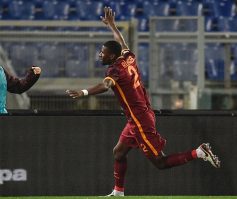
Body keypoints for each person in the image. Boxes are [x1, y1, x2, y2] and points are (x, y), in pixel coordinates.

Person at [66, 7, 220, 197]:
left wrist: (83, 92)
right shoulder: (128, 58)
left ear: (112, 57)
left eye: (103, 52)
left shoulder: (114, 71)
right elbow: (122, 43)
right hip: (138, 116)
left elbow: (106, 85)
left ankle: (199, 152)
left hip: (140, 120)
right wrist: (112, 26)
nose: (100, 54)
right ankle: (118, 192)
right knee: (119, 153)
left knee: (160, 163)